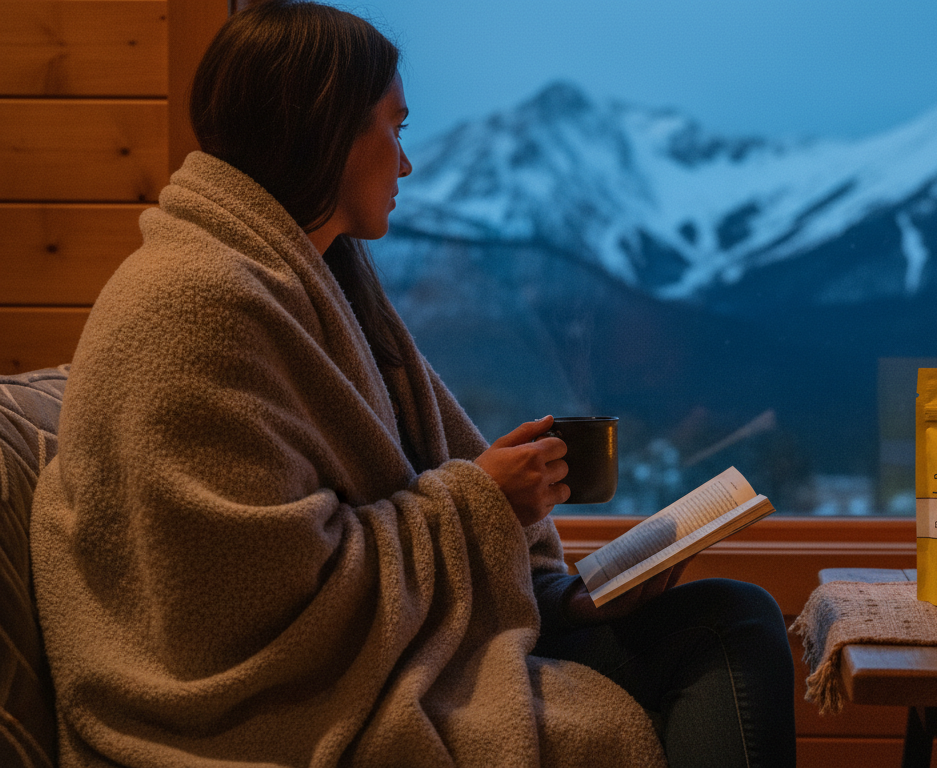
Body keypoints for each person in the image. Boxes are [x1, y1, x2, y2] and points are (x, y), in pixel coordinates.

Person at [29, 2, 796, 767]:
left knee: (729, 616)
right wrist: (484, 502)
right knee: (729, 634)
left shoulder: (314, 282)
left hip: (398, 649)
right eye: (393, 128)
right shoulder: (191, 306)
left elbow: (391, 498)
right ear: (325, 129)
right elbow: (249, 615)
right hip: (279, 707)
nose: (406, 162)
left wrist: (564, 595)